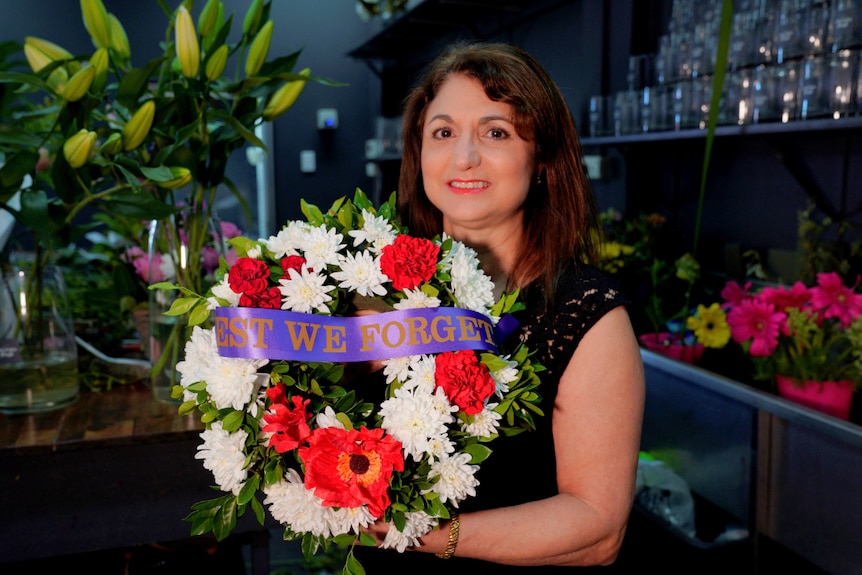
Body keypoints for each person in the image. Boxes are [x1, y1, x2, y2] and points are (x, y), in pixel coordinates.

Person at [355, 41, 645, 572]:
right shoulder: (368, 286)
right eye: (443, 132)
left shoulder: (589, 317)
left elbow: (599, 528)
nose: (464, 156)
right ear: (419, 153)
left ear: (542, 161)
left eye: (496, 132)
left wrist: (420, 532)